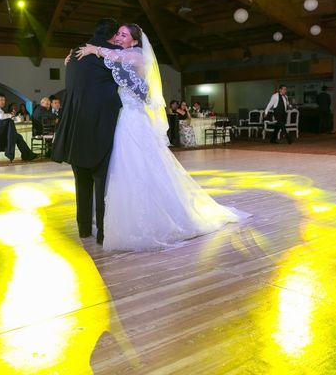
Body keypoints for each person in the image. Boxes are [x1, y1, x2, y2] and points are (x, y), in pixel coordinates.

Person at [75, 23, 242, 251]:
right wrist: (75, 55)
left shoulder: (136, 56)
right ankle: (125, 215)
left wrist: (95, 49)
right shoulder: (123, 55)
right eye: (118, 34)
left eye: (123, 35)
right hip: (124, 119)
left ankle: (152, 218)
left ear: (134, 41)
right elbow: (111, 60)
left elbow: (112, 56)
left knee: (138, 166)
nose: (119, 37)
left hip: (134, 119)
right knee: (125, 168)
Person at [52, 18, 123, 245]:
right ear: (112, 36)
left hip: (74, 128)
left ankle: (84, 228)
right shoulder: (111, 54)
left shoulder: (74, 54)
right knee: (102, 182)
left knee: (81, 181)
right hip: (100, 126)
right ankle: (102, 232)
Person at [0, 93, 38, 161]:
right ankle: (27, 155)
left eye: (4, 100)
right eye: (1, 100)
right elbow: (1, 116)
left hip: (2, 133)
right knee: (18, 137)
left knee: (18, 137)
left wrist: (10, 115)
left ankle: (27, 155)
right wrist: (10, 115)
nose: (3, 102)